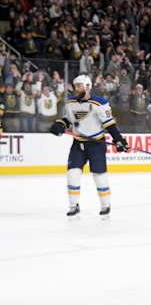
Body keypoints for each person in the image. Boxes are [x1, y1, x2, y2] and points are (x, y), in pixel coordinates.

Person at [49, 75, 129, 218]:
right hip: (78, 144)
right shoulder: (70, 103)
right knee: (72, 174)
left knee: (99, 176)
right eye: (76, 85)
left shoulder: (100, 103)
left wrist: (118, 139)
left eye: (80, 85)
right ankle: (74, 206)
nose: (77, 88)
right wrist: (60, 124)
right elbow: (68, 119)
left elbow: (109, 124)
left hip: (96, 144)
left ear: (88, 86)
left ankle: (105, 205)